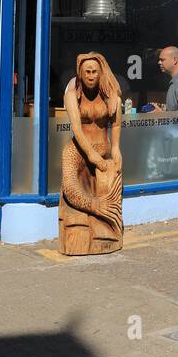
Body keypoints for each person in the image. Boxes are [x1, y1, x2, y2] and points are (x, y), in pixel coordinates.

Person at [59, 52, 123, 255]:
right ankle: (94, 208)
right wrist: (92, 156)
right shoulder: (72, 94)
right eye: (87, 71)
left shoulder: (110, 94)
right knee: (71, 187)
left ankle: (108, 230)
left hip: (104, 154)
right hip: (78, 151)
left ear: (100, 72)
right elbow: (77, 129)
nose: (91, 75)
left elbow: (117, 123)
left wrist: (115, 149)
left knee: (112, 188)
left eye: (95, 71)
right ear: (80, 72)